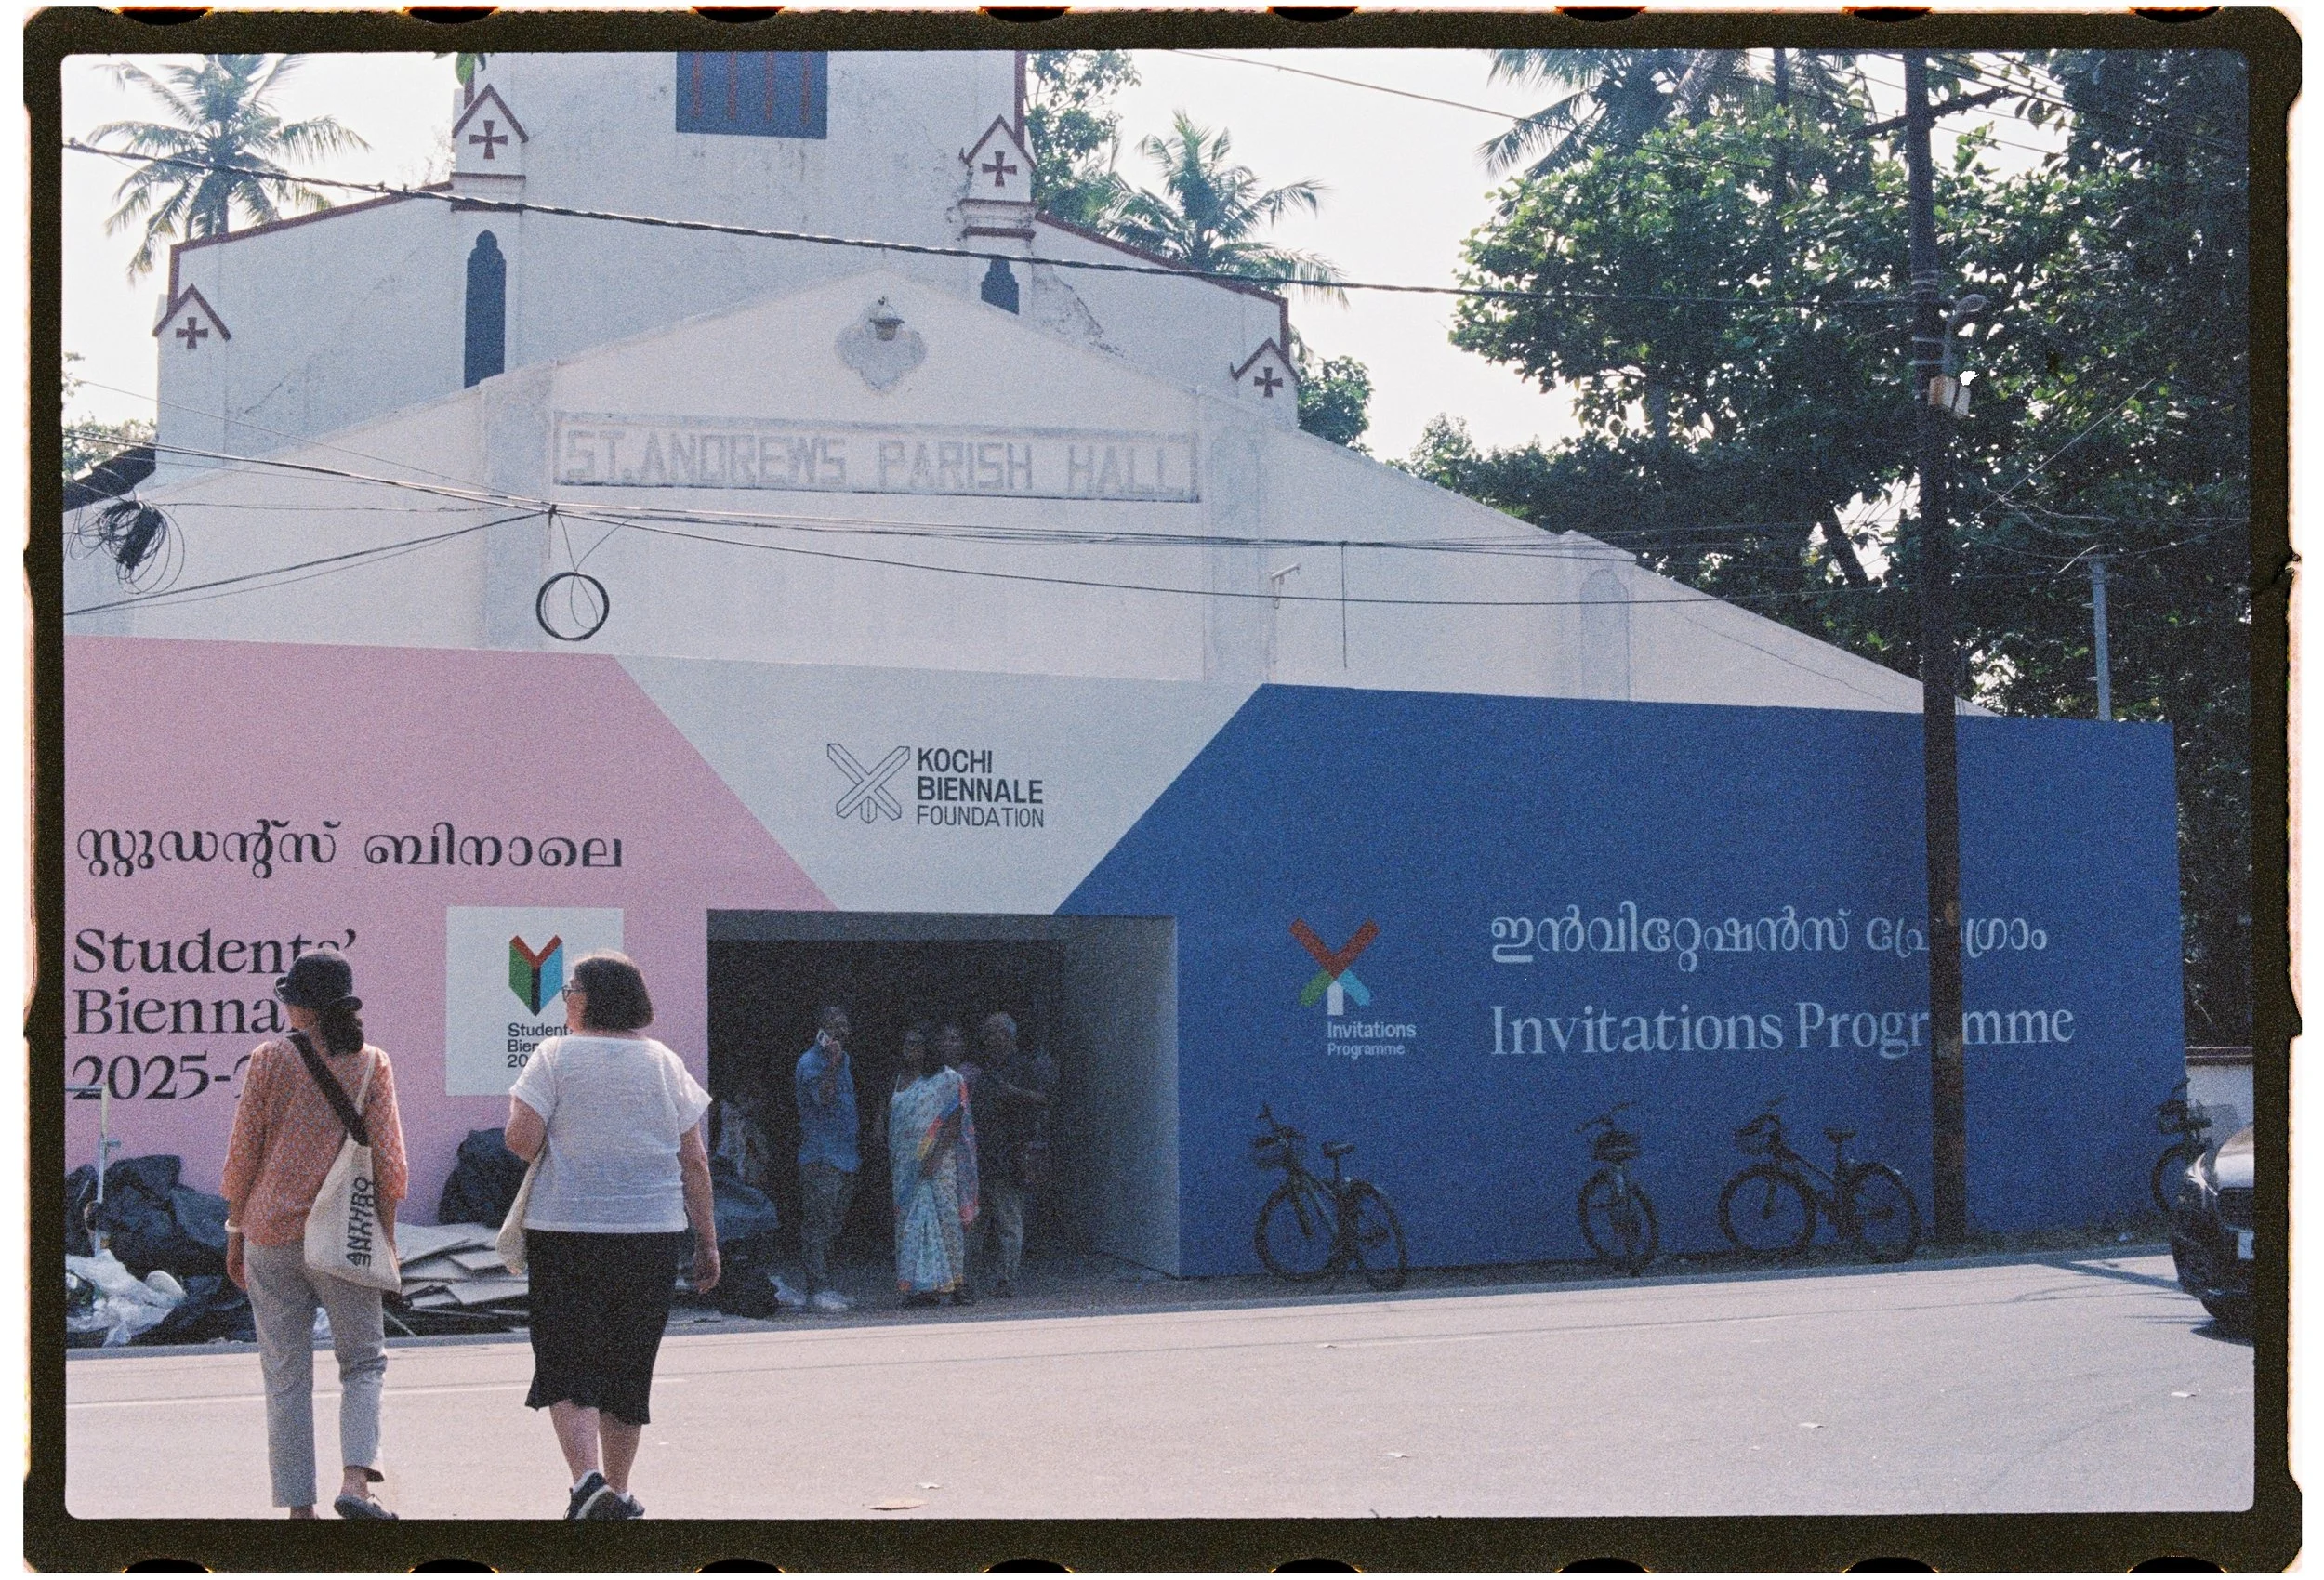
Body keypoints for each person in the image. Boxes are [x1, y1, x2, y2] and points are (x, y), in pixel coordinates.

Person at [506, 951, 719, 1521]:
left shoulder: (552, 1056)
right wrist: (709, 1242)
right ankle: (618, 1492)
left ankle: (586, 1483)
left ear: (586, 998)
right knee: (630, 1363)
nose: (564, 996)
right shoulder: (665, 1063)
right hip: (650, 1233)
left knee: (565, 1356)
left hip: (566, 1231)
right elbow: (695, 1162)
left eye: (569, 987)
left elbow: (521, 1140)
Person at [220, 946, 408, 1521]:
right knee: (363, 1362)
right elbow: (389, 1166)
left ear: (298, 1008)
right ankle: (356, 1482)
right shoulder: (372, 1063)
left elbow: (241, 1158)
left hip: (270, 1236)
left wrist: (234, 1233)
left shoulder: (269, 1060)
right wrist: (386, 1239)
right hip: (344, 1238)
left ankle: (300, 1511)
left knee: (285, 1376)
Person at [884, 1023, 979, 1308]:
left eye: (917, 1044)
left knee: (945, 1220)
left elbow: (954, 1119)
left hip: (938, 1163)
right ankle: (917, 1287)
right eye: (906, 1044)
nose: (910, 1050)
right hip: (905, 1166)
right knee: (909, 1224)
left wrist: (935, 1156)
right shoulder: (898, 1080)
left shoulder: (947, 1079)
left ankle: (956, 1283)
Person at [962, 1012, 1055, 1297]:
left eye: (996, 1033)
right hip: (983, 1155)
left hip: (1011, 1154)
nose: (990, 1040)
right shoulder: (983, 1070)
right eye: (987, 1034)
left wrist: (1014, 1093)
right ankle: (966, 1280)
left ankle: (1006, 1279)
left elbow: (1045, 1099)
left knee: (1008, 1221)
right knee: (975, 1224)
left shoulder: (1026, 1067)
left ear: (1010, 1037)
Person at [794, 1005, 861, 1313]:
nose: (840, 1032)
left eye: (844, 1025)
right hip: (821, 1156)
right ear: (821, 1029)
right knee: (818, 1224)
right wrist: (832, 1063)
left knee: (835, 1223)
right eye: (833, 1026)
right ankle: (816, 1288)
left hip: (846, 1154)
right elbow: (823, 1098)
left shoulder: (844, 1059)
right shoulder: (810, 1062)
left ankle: (826, 1283)